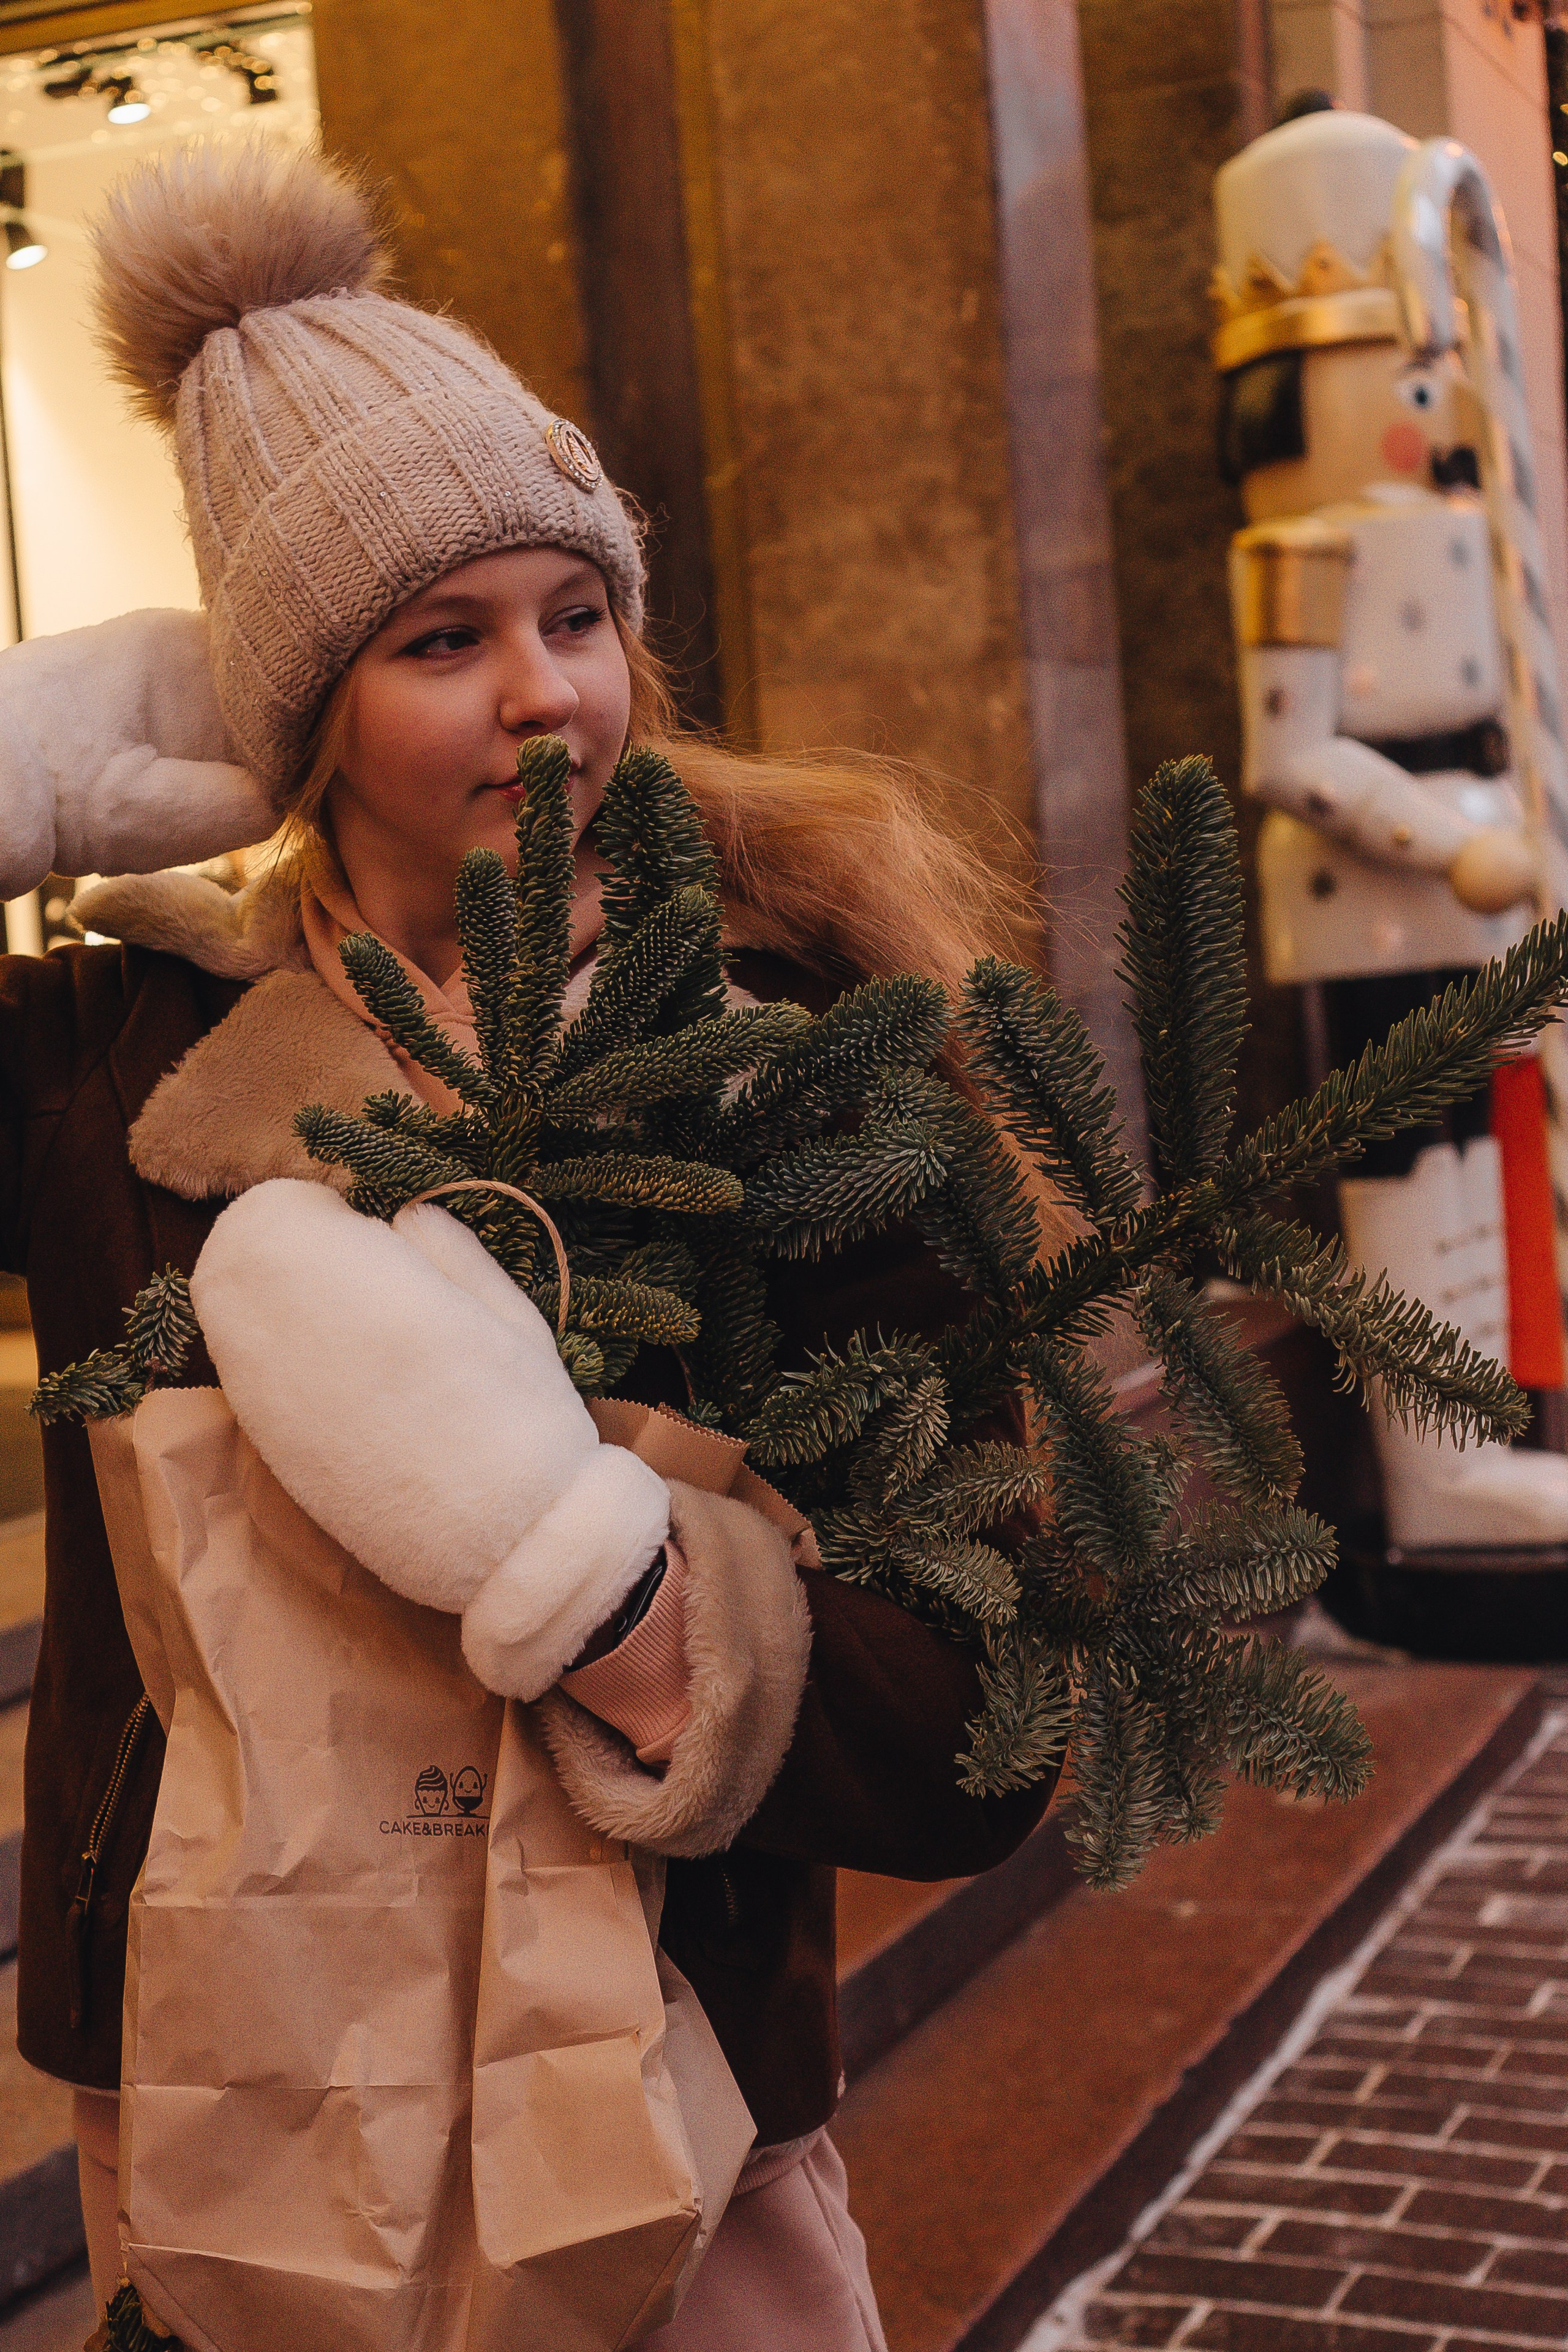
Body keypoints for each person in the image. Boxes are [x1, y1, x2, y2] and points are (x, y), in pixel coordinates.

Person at [0, 141, 1063, 2348]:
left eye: (575, 617)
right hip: (240, 2086)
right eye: (438, 641)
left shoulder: (803, 1073)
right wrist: (26, 772)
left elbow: (990, 1706)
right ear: (297, 705)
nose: (541, 697)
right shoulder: (110, 1063)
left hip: (673, 2110)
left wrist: (632, 1602)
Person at [1212, 100, 1568, 1553]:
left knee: (1486, 1159)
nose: (1430, 419)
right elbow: (1292, 751)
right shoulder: (1295, 555)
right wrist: (1441, 838)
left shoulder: (1460, 532)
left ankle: (1493, 1429)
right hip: (1387, 897)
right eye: (1401, 385)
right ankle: (1431, 1472)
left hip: (1483, 890)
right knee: (1408, 1166)